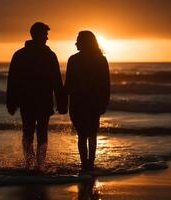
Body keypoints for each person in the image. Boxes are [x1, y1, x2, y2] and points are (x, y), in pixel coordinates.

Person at [6, 22, 67, 171]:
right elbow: (57, 82)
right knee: (40, 133)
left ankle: (31, 164)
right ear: (38, 35)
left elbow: (12, 81)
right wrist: (62, 102)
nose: (47, 38)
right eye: (45, 35)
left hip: (29, 101)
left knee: (28, 132)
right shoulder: (49, 55)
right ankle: (38, 165)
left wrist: (11, 102)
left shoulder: (20, 54)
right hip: (40, 101)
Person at [65, 31, 110, 172]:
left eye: (78, 40)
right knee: (91, 134)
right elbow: (106, 85)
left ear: (85, 42)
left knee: (83, 135)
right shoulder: (100, 60)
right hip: (91, 102)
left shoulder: (74, 60)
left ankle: (85, 163)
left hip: (80, 102)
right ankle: (89, 164)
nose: (76, 43)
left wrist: (61, 100)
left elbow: (68, 85)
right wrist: (104, 103)